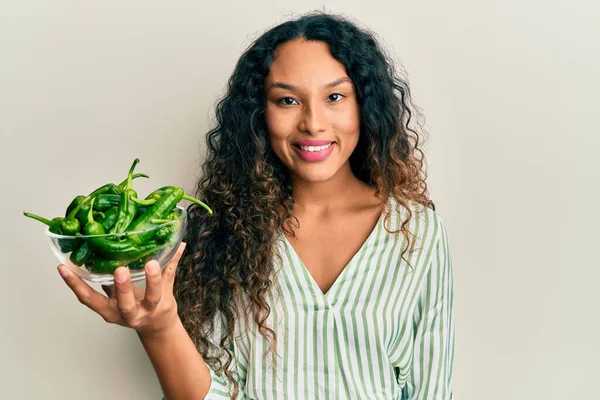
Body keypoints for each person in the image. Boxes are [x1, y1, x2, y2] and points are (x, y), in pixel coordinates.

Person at [57, 11, 455, 400]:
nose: (313, 123)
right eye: (287, 101)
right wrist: (158, 326)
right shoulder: (224, 231)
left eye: (334, 96)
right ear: (259, 115)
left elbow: (431, 389)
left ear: (364, 106)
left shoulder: (415, 232)